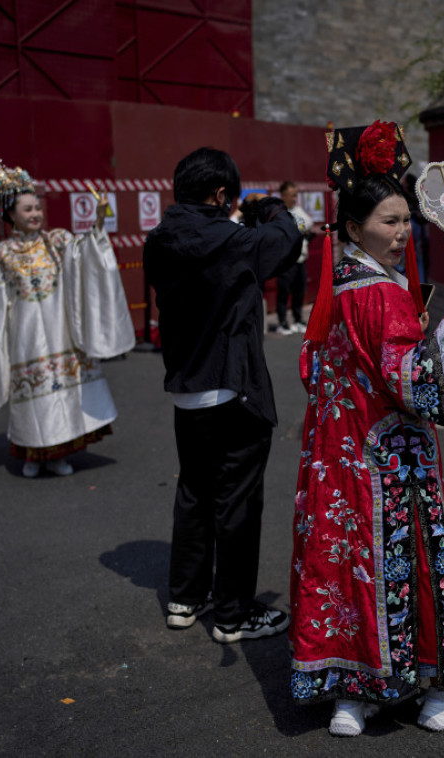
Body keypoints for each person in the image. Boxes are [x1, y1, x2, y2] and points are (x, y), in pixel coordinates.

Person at [288, 121, 444, 737]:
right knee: (410, 567)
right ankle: (439, 687)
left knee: (347, 568)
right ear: (354, 229)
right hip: (391, 461)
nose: (403, 233)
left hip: (336, 458)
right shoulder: (384, 295)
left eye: (407, 220)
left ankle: (353, 694)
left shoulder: (340, 289)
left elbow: (312, 368)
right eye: (389, 221)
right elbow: (417, 385)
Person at [143, 147, 302, 642]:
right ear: (219, 195)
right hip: (233, 390)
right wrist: (267, 206)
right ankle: (233, 614)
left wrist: (241, 215)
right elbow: (287, 239)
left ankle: (185, 597)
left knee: (193, 492)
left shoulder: (157, 241)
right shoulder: (234, 241)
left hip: (187, 388)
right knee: (237, 503)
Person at [0, 162, 134, 477]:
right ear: (11, 215)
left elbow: (87, 252)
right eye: (27, 209)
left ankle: (58, 456)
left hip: (61, 330)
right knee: (33, 398)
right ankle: (32, 456)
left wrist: (99, 217)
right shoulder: (1, 255)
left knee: (65, 394)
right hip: (25, 338)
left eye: (37, 207)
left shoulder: (57, 241)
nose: (35, 213)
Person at [276, 180, 316, 334]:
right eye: (291, 195)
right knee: (284, 291)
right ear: (283, 195)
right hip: (286, 260)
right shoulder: (279, 212)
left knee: (299, 290)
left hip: (301, 258)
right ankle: (282, 322)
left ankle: (298, 319)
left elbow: (308, 225)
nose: (294, 199)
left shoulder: (298, 211)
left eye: (295, 195)